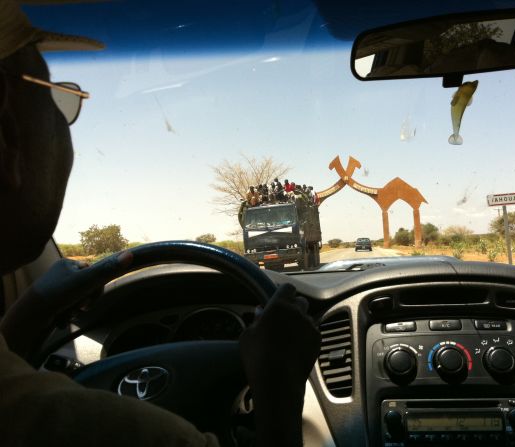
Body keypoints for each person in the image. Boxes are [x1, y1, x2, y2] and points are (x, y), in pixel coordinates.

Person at [0, 2, 320, 446]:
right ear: (6, 128)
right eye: (54, 98)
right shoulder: (101, 430)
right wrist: (280, 385)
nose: (65, 121)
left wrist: (32, 309)